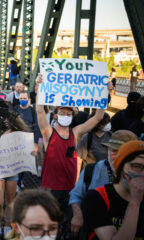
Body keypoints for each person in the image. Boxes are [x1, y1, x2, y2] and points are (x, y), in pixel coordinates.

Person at [35, 74, 106, 237]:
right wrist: (39, 88)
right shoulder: (48, 133)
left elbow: (98, 117)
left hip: (70, 190)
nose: (65, 116)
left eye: (68, 114)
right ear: (55, 115)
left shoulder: (75, 133)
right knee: (48, 227)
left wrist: (103, 94)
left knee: (67, 229)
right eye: (62, 112)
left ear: (72, 117)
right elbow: (39, 110)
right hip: (50, 189)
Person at [69, 130, 137, 236]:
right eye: (114, 151)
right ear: (108, 149)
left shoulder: (139, 177)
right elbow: (76, 196)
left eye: (124, 152)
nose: (119, 156)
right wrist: (78, 214)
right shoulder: (91, 171)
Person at [81, 140, 144, 239]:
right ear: (120, 167)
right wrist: (135, 203)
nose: (142, 174)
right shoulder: (97, 197)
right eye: (136, 166)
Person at [0, 111, 31, 240]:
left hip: (12, 170)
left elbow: (24, 150)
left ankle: (7, 227)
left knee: (10, 201)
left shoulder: (18, 133)